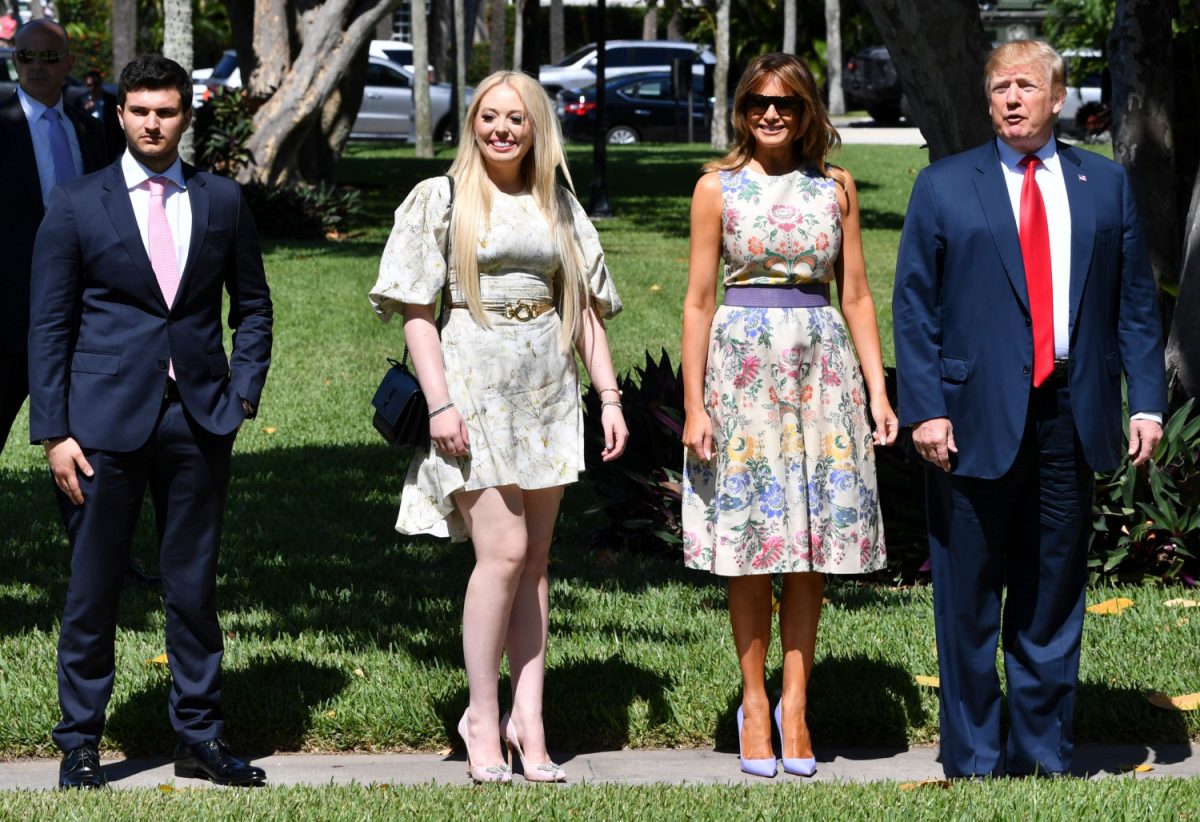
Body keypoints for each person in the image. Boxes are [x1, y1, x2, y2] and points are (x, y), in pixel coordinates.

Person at [892, 40, 1165, 779]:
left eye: (1028, 85)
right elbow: (914, 307)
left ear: (1057, 96)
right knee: (968, 596)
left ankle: (1042, 751)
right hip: (969, 415)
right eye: (1001, 87)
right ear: (988, 102)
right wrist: (924, 409)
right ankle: (974, 754)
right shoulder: (946, 186)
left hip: (1071, 415)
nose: (1013, 98)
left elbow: (1135, 306)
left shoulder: (1103, 185)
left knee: (1051, 592)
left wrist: (1146, 404)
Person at [369, 70, 627, 784]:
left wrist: (607, 395)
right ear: (473, 122)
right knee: (504, 550)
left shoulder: (558, 203)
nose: (502, 129)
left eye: (517, 118)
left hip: (546, 388)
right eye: (490, 116)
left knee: (537, 561)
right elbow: (418, 312)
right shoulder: (441, 199)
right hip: (473, 382)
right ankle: (481, 713)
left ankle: (528, 718)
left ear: (536, 127)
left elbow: (584, 311)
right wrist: (440, 402)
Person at [28, 54, 273, 790]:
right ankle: (80, 743)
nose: (153, 123)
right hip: (99, 426)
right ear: (121, 114)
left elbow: (253, 307)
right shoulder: (76, 203)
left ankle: (199, 737)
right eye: (140, 110)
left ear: (185, 115)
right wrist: (54, 432)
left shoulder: (222, 200)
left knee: (193, 587)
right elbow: (49, 326)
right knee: (92, 587)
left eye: (166, 111)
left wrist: (244, 394)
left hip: (198, 419)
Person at [681, 52, 897, 779]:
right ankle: (752, 702)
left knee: (810, 551)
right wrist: (692, 404)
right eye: (757, 103)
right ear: (740, 111)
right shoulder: (717, 187)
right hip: (741, 377)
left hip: (821, 372)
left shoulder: (834, 188)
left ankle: (796, 704)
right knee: (753, 546)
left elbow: (858, 294)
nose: (771, 114)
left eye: (787, 104)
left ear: (809, 113)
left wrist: (877, 390)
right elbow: (699, 301)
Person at [0, 18, 106, 457]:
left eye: (48, 57)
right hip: (7, 306)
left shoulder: (93, 130)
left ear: (68, 63)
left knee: (86, 430)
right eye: (26, 56)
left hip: (81, 306)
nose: (36, 66)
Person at [82, 68, 123, 163]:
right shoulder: (81, 101)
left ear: (100, 84)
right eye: (89, 85)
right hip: (90, 144)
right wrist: (85, 110)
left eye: (96, 84)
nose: (93, 88)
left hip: (109, 143)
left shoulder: (111, 100)